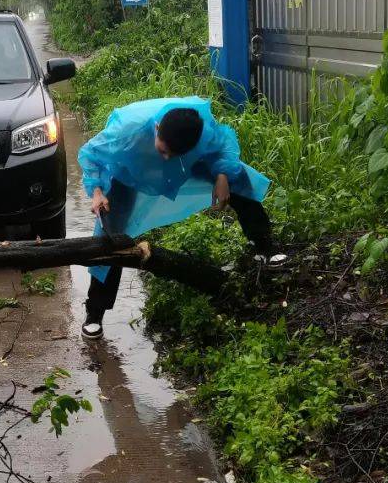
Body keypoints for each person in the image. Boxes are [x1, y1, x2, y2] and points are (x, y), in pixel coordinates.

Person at [78, 97, 282, 341]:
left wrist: (222, 175)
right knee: (110, 233)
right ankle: (94, 313)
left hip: (186, 165)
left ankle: (264, 246)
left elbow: (223, 148)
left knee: (239, 179)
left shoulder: (200, 133)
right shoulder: (126, 132)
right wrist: (97, 192)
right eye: (164, 151)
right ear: (156, 130)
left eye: (174, 153)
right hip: (129, 171)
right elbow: (90, 154)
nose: (167, 158)